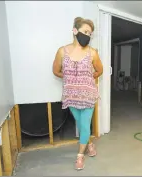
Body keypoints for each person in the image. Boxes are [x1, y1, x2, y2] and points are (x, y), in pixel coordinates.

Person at [52, 17, 103, 170]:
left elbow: (100, 70)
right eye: (85, 31)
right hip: (71, 95)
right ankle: (90, 144)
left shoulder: (92, 53)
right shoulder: (62, 51)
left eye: (90, 33)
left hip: (88, 95)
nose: (88, 35)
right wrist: (70, 78)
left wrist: (86, 78)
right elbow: (56, 71)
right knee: (81, 124)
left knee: (85, 123)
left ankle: (80, 156)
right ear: (75, 31)